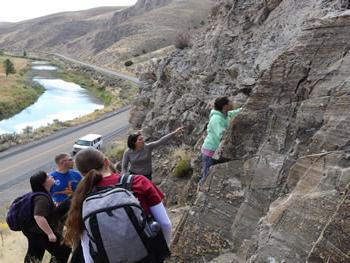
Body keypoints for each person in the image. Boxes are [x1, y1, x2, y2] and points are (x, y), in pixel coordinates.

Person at [64, 148, 172, 263]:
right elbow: (165, 224)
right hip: (147, 255)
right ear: (106, 162)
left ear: (81, 173)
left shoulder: (81, 197)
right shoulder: (139, 182)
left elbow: (86, 242)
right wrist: (162, 252)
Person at [23, 171, 71, 263]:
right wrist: (50, 233)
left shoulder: (40, 194)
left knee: (35, 255)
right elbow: (38, 216)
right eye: (48, 177)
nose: (51, 177)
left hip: (32, 231)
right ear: (43, 183)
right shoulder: (42, 198)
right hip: (39, 232)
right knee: (64, 250)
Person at [200, 96, 241, 185]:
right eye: (229, 102)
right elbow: (221, 134)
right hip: (210, 152)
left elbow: (234, 113)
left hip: (216, 151)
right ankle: (201, 189)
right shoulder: (216, 119)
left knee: (212, 176)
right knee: (207, 176)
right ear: (225, 106)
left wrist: (244, 109)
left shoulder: (226, 114)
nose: (232, 103)